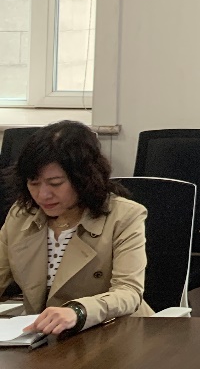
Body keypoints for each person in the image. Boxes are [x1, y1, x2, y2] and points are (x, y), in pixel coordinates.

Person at [0, 120, 150, 336]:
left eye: (55, 183)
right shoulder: (21, 215)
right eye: (33, 183)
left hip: (115, 334)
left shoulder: (124, 215)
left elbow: (129, 292)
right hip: (45, 339)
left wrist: (78, 311)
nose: (43, 195)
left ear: (83, 178)